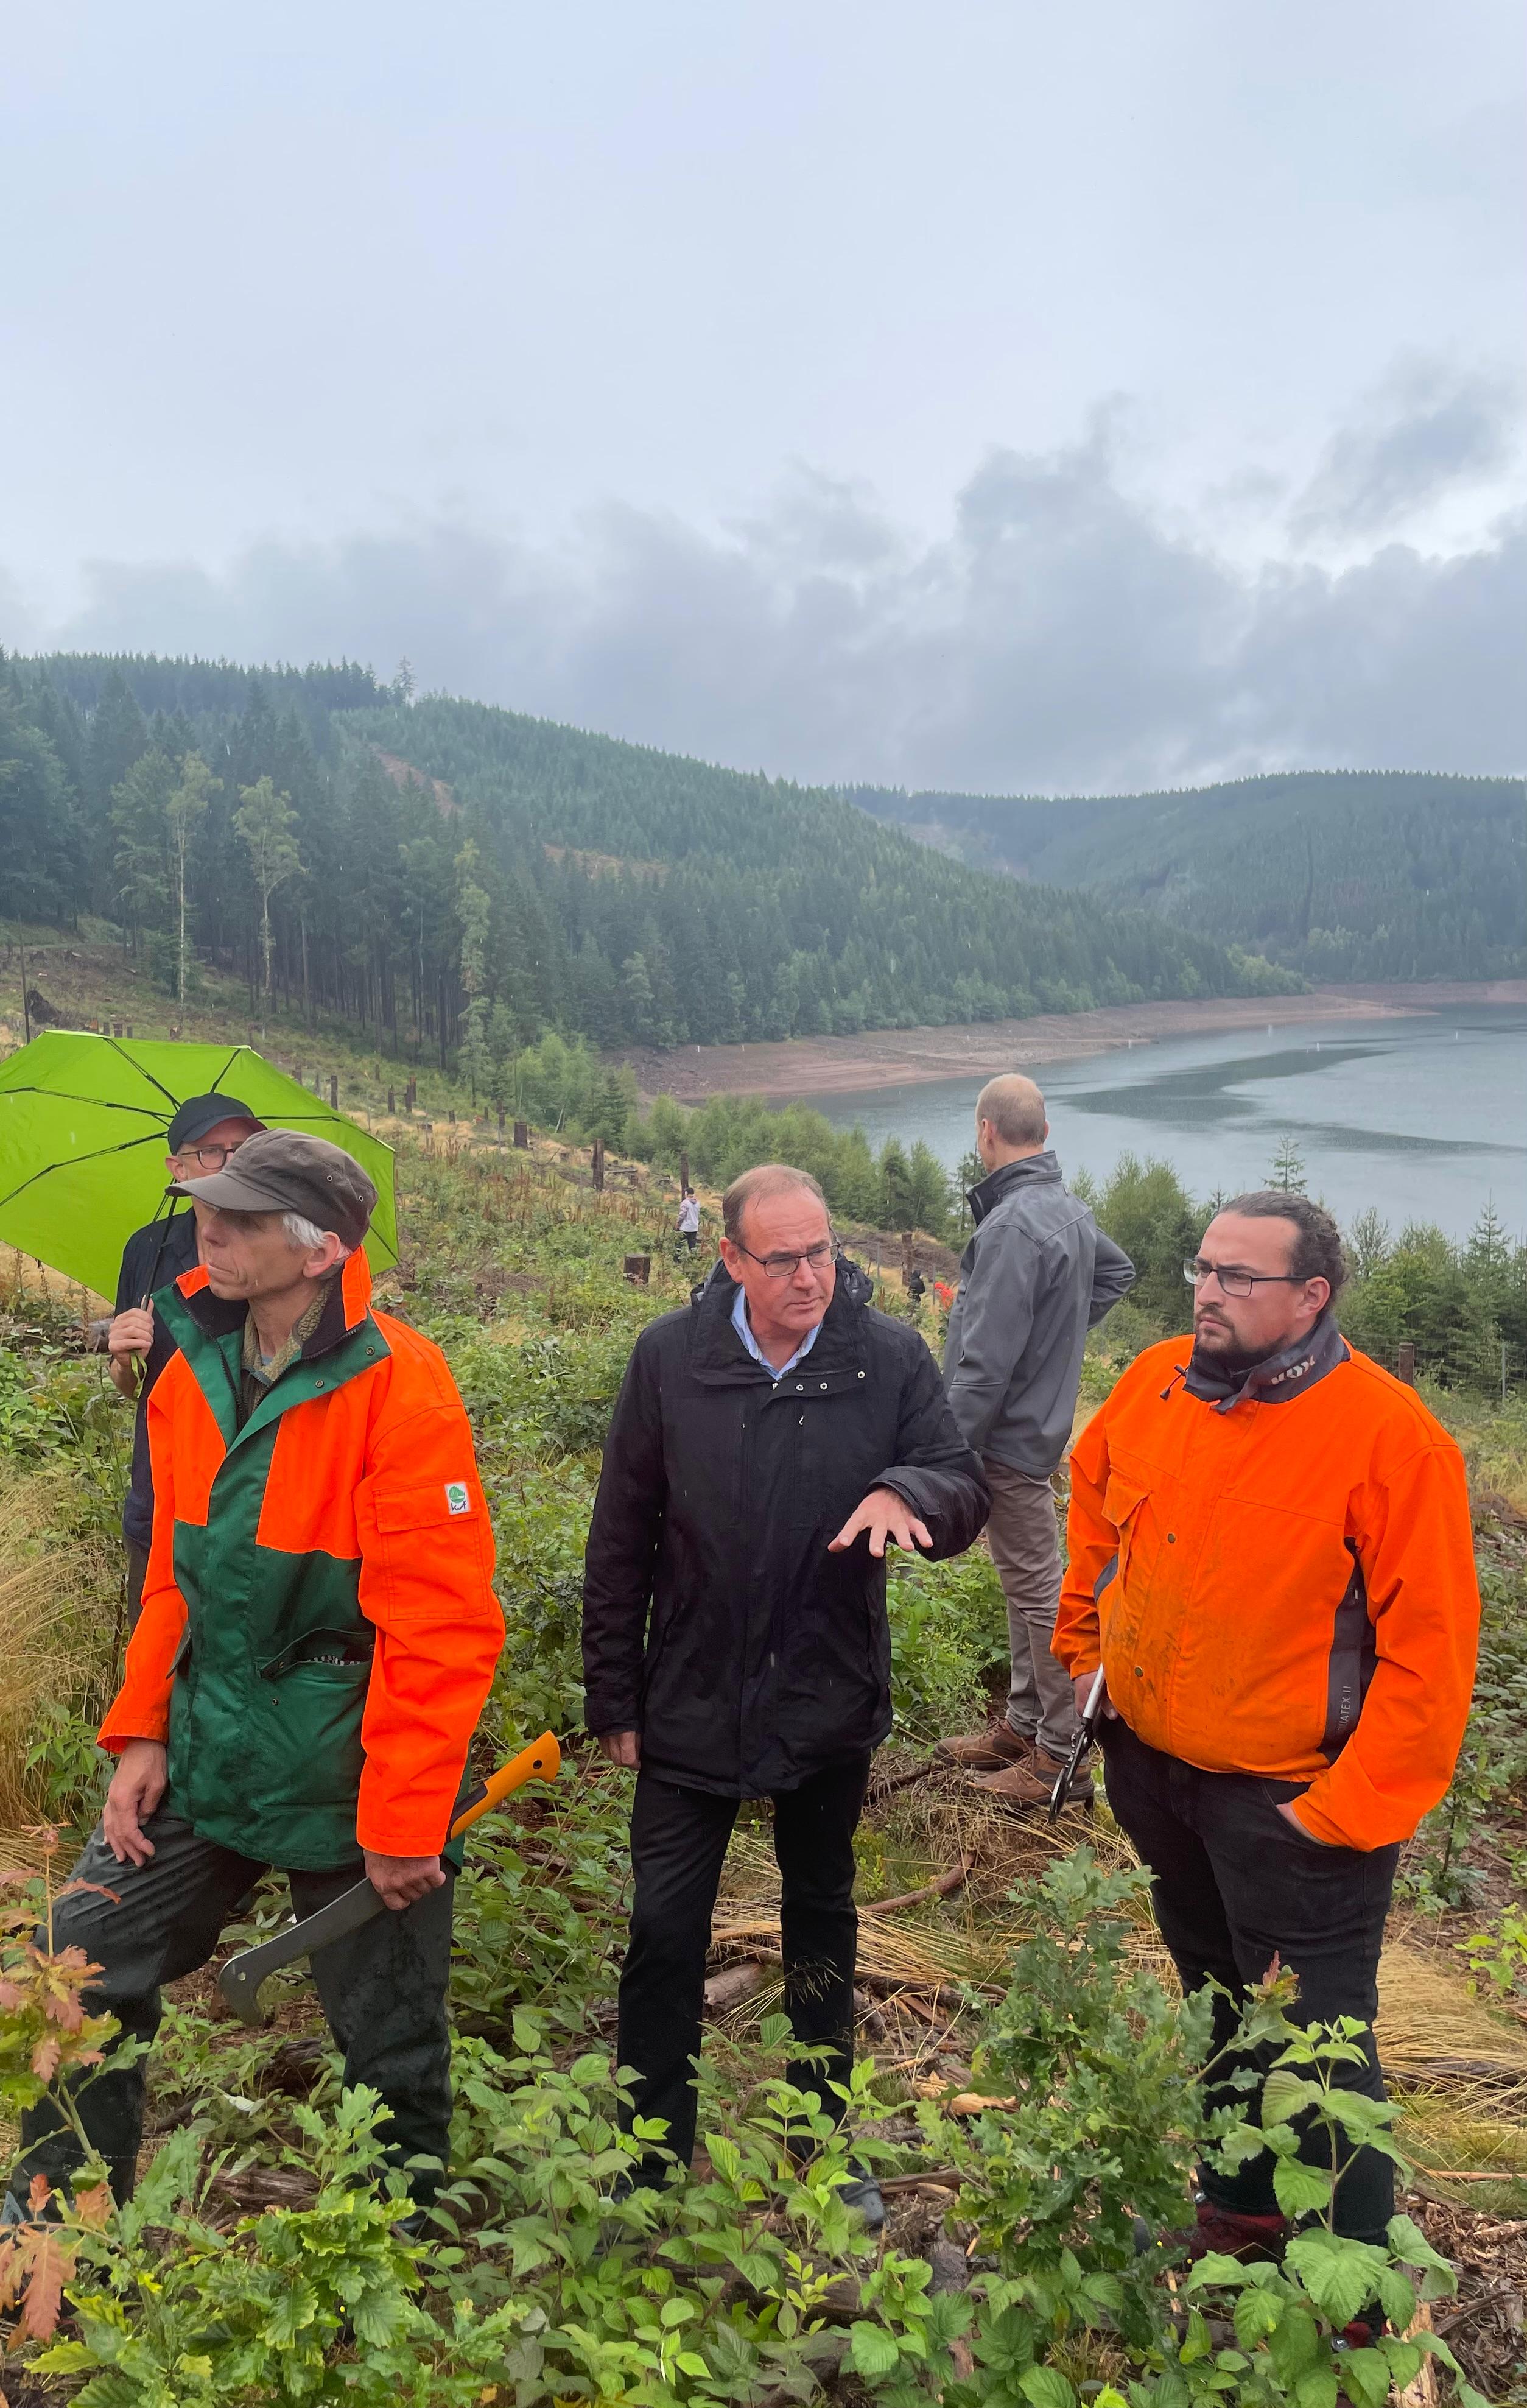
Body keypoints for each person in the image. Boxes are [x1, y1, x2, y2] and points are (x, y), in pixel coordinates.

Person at [8, 1131, 504, 2223]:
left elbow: (440, 1627)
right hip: (207, 1746)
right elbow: (173, 1578)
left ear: (320, 1247)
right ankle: (48, 2246)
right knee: (75, 1964)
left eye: (239, 1213)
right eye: (206, 1208)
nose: (209, 1227)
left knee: (391, 2043)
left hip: (348, 1771)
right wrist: (140, 1729)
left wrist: (406, 1817)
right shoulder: (193, 1365)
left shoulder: (401, 1388)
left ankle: (399, 2258)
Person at [1056, 1190, 1480, 2255]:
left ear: (1308, 1295)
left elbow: (1429, 1659)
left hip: (1294, 1808)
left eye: (1237, 1276)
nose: (1206, 1289)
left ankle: (1355, 2292)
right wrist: (1084, 1654)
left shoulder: (1392, 1439)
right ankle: (1237, 2214)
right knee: (1212, 2005)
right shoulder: (1155, 1378)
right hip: (1154, 1772)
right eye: (1201, 1267)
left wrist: (1336, 1813)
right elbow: (1094, 1501)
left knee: (1322, 2050)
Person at [583, 1163, 989, 2217]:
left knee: (820, 1917)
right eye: (784, 1257)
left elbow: (959, 1481)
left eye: (822, 1251)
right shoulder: (671, 1359)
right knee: (664, 1928)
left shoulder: (886, 1355)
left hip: (823, 1693)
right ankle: (650, 2150)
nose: (811, 1275)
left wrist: (909, 1489)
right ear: (730, 1259)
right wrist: (613, 1694)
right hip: (690, 1692)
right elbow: (619, 1536)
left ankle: (822, 2135)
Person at [937, 1074, 1134, 1807]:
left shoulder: (1013, 1224)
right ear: (1041, 1134)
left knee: (1041, 1593)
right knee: (1025, 1584)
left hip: (1005, 1442)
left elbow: (984, 1363)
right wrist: (1057, 1338)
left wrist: (944, 1454)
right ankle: (1024, 1725)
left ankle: (1060, 1757)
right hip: (1032, 1433)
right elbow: (1117, 1271)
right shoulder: (1062, 1209)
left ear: (986, 1130)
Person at [106, 1093, 265, 1629]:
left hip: (249, 1491)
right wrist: (125, 1360)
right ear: (177, 1167)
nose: (232, 1162)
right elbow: (133, 1388)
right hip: (161, 1486)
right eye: (213, 1151)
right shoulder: (147, 1250)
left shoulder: (272, 1251)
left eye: (244, 1148)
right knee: (154, 1643)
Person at [676, 1186, 701, 1252]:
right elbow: (698, 1214)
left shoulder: (685, 1203)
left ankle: (678, 1260)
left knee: (679, 1244)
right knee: (692, 1246)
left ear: (686, 1193)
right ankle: (693, 1259)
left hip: (685, 1227)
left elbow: (682, 1214)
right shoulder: (698, 1203)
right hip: (694, 1227)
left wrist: (678, 1223)